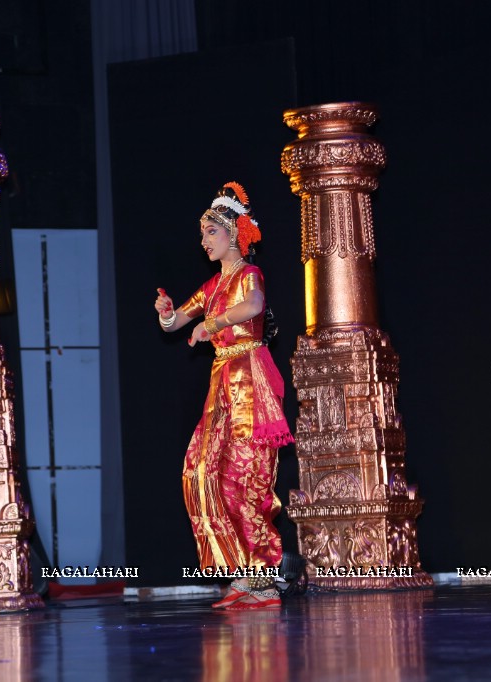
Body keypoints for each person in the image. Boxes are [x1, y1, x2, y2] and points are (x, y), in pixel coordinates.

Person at [154, 182, 293, 610]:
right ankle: (242, 572)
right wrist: (167, 315)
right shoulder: (213, 285)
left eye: (209, 233)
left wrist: (211, 327)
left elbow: (253, 308)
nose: (204, 241)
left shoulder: (248, 275)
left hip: (250, 380)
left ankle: (264, 579)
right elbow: (179, 321)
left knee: (246, 479)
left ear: (232, 232)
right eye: (202, 235)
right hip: (222, 385)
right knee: (203, 473)